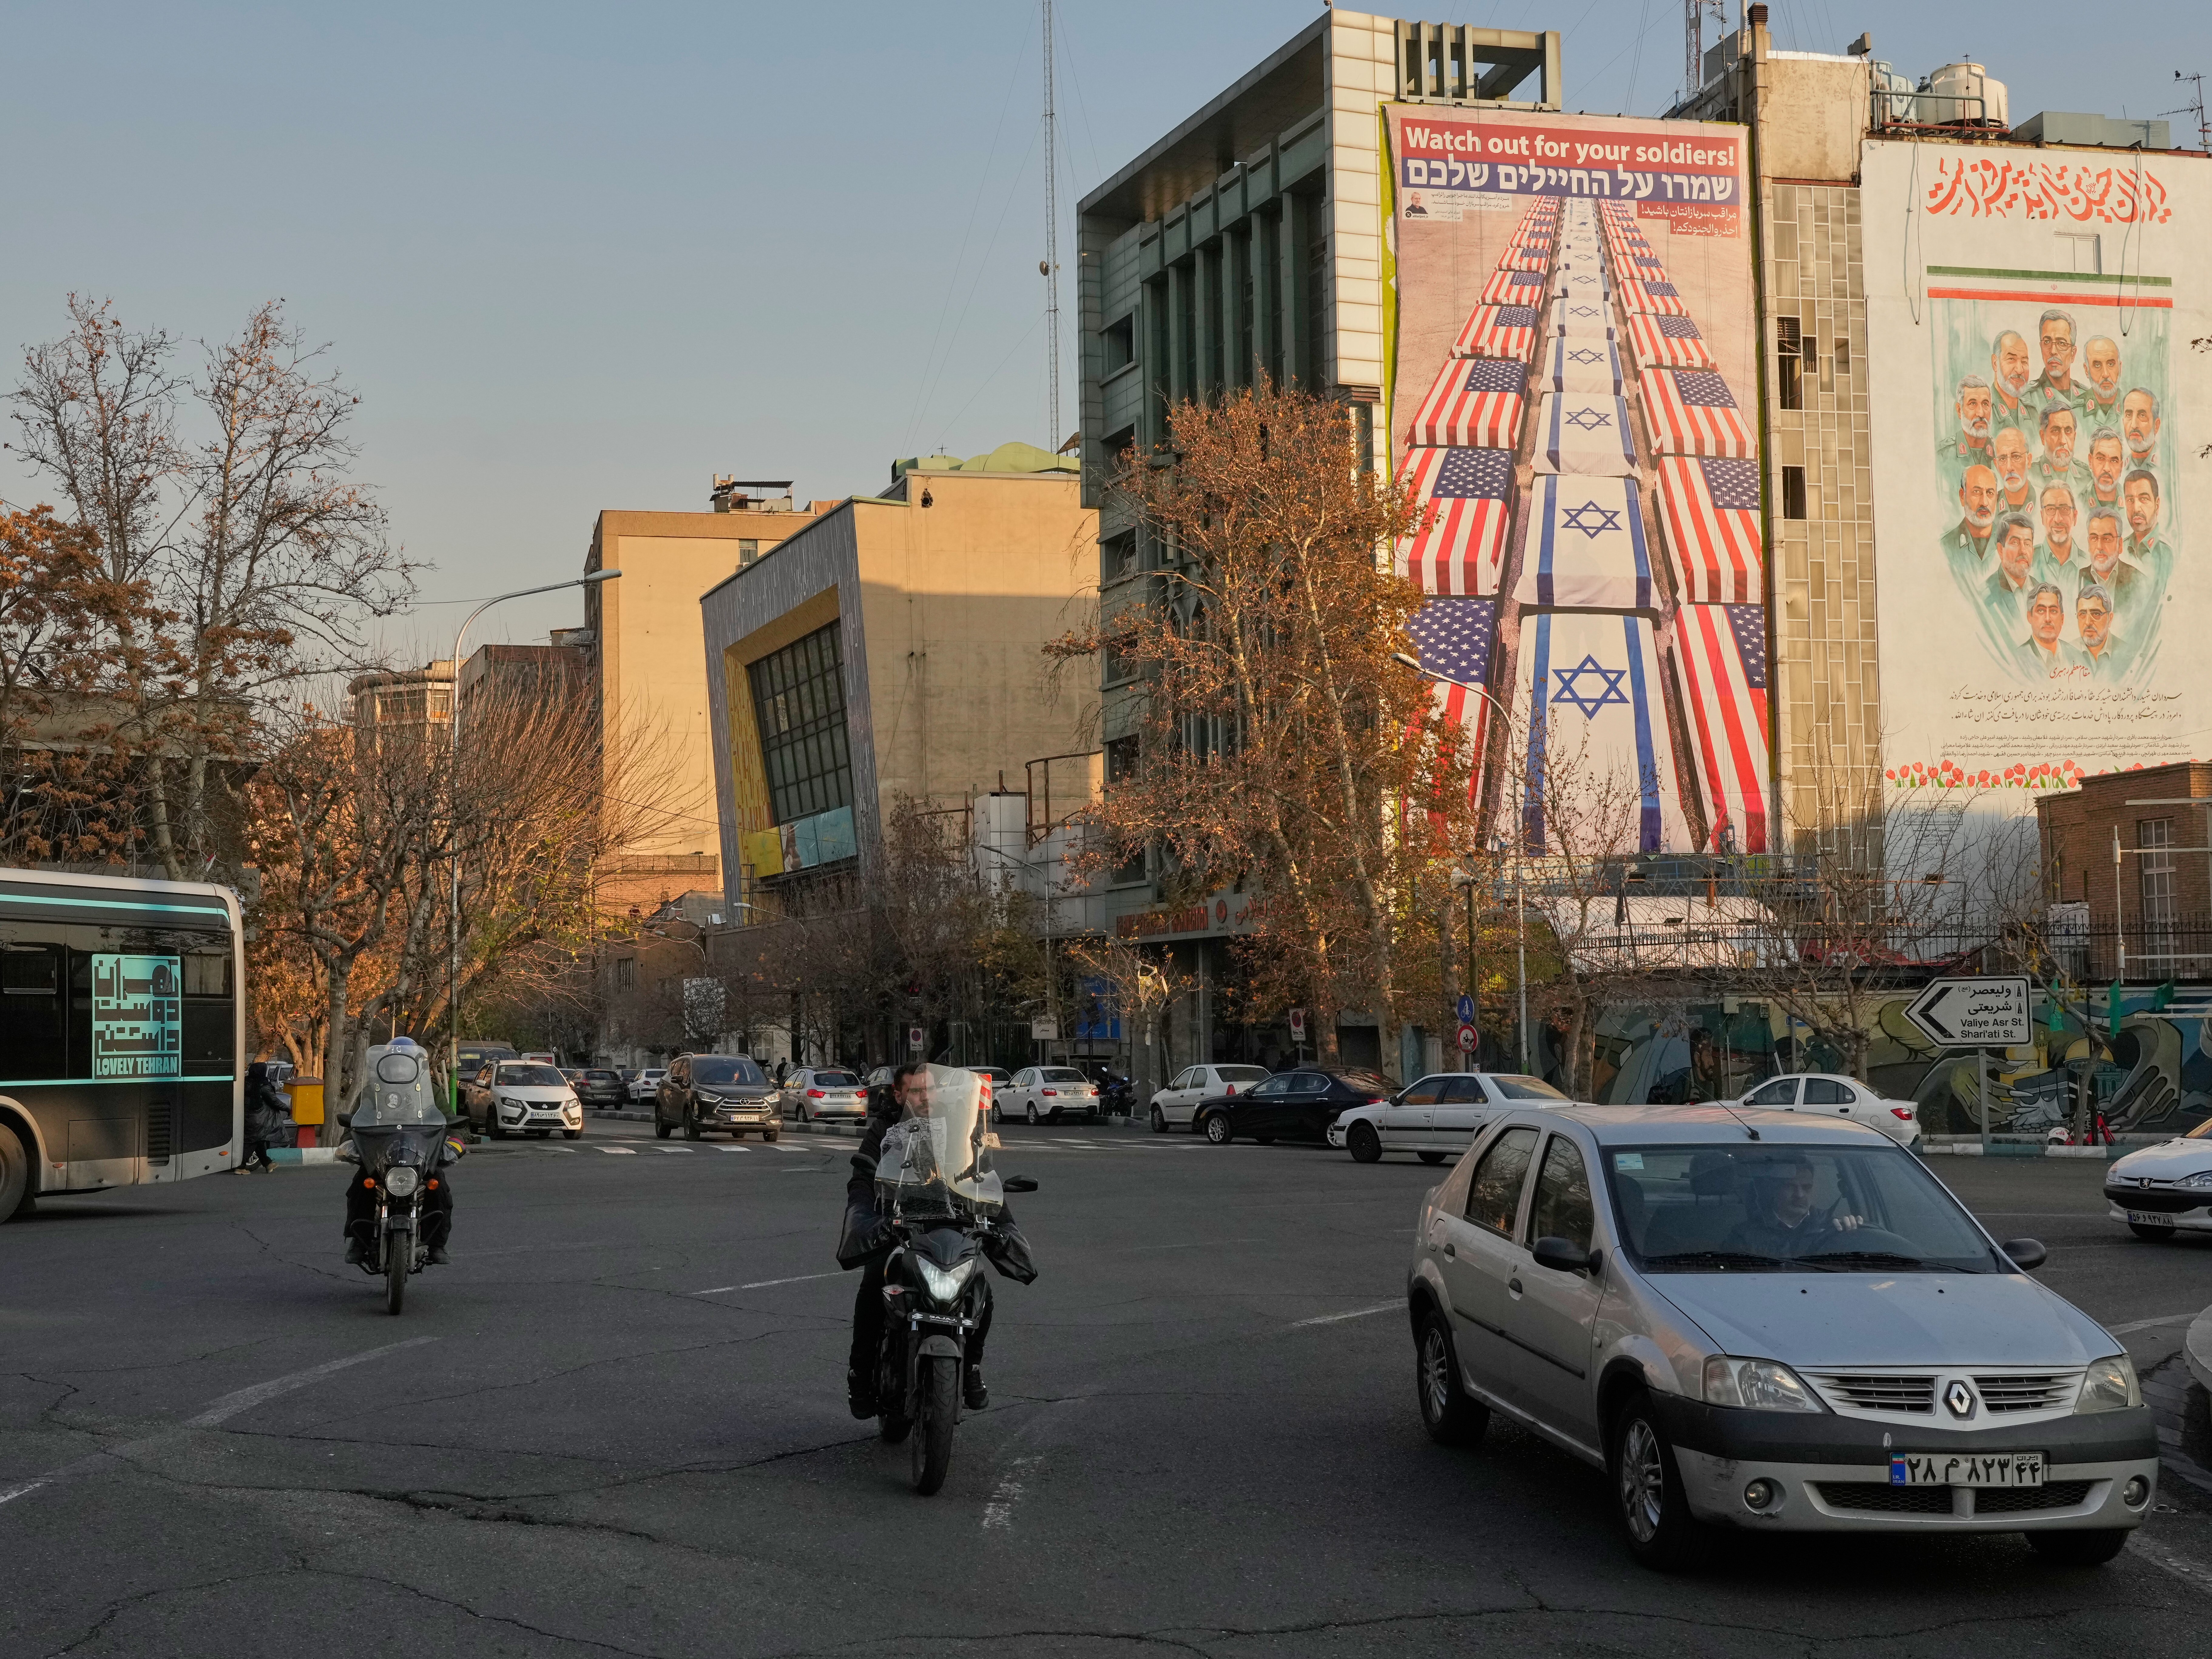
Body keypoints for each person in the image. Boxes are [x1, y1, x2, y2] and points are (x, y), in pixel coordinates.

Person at [841, 1063, 1023, 1417]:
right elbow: (863, 1176)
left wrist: (1002, 1218)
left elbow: (981, 1171)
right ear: (899, 1095)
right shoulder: (883, 1129)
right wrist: (864, 1215)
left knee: (979, 1286)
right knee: (873, 1283)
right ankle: (859, 1373)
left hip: (948, 1220)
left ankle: (971, 1366)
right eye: (915, 1091)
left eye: (930, 1090)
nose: (925, 1097)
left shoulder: (959, 1125)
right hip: (899, 1223)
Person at [342, 1037, 459, 1267]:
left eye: (404, 1064)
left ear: (415, 1066)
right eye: (394, 1064)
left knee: (440, 1189)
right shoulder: (371, 1092)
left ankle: (437, 1245)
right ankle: (359, 1241)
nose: (399, 1069)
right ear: (384, 1065)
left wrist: (454, 1144)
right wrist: (349, 1142)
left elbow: (448, 1122)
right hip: (381, 1157)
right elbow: (356, 1123)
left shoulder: (430, 1092)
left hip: (420, 1156)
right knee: (360, 1188)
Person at [1725, 1153, 1863, 1258]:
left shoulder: (1832, 1227)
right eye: (1790, 1187)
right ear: (1774, 1189)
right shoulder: (1744, 1237)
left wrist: (1854, 1231)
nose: (1800, 1195)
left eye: (1807, 1187)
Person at [1944, 463, 2000, 587]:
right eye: (1977, 492)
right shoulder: (1945, 547)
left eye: (1990, 493)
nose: (1984, 502)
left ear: (1996, 498)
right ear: (1962, 497)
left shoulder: (2008, 544)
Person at [2014, 582, 2079, 678]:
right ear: (2030, 617)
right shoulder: (2016, 660)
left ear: (2062, 619)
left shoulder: (2077, 656)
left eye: (2053, 611)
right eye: (2041, 610)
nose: (2048, 619)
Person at [2030, 308, 2082, 411]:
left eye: (2061, 343)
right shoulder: (2028, 398)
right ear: (2041, 348)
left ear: (2073, 354)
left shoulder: (2086, 396)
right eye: (2047, 342)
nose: (2053, 351)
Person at [239, 1060, 282, 1174]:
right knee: (253, 1142)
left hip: (247, 1117)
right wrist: (287, 1109)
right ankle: (241, 1166)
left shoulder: (245, 1083)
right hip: (259, 1119)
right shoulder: (263, 1086)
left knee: (259, 1141)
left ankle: (268, 1164)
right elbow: (274, 1101)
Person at [1990, 329, 2035, 424]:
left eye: (2024, 362)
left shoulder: (2034, 413)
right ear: (1995, 363)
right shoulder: (1984, 410)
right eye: (2011, 359)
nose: (2020, 370)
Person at [2081, 336, 2123, 422]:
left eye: (2111, 364)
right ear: (2086, 370)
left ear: (2120, 368)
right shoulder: (2073, 411)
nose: (2106, 374)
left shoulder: (2132, 406)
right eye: (2097, 365)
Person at [2121, 387, 2161, 470]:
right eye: (2129, 415)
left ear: (2156, 426)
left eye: (2142, 415)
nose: (2134, 425)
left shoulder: (2167, 465)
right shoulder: (2120, 469)